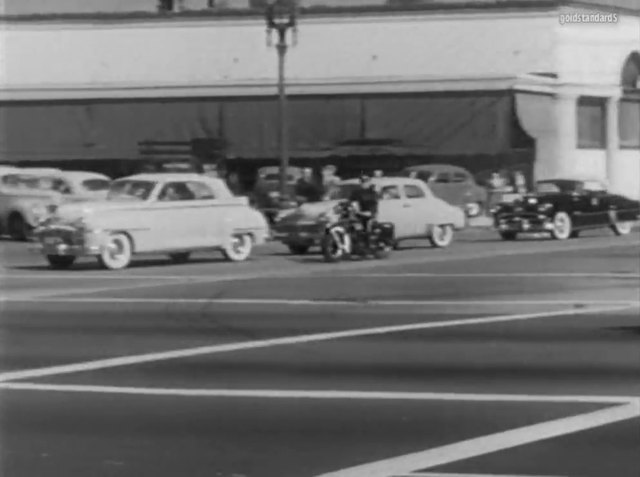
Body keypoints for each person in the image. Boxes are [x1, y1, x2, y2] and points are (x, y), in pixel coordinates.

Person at [348, 174, 379, 247]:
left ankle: (369, 244)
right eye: (362, 181)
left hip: (368, 214)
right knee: (353, 225)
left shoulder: (372, 193)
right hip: (357, 214)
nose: (364, 183)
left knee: (368, 227)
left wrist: (371, 214)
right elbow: (351, 201)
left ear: (369, 182)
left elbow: (373, 205)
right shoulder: (356, 193)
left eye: (366, 181)